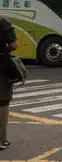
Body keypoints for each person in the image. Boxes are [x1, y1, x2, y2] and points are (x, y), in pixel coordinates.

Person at [0, 18, 18, 150]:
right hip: (0, 68)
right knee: (3, 101)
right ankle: (1, 139)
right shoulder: (3, 23)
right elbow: (14, 45)